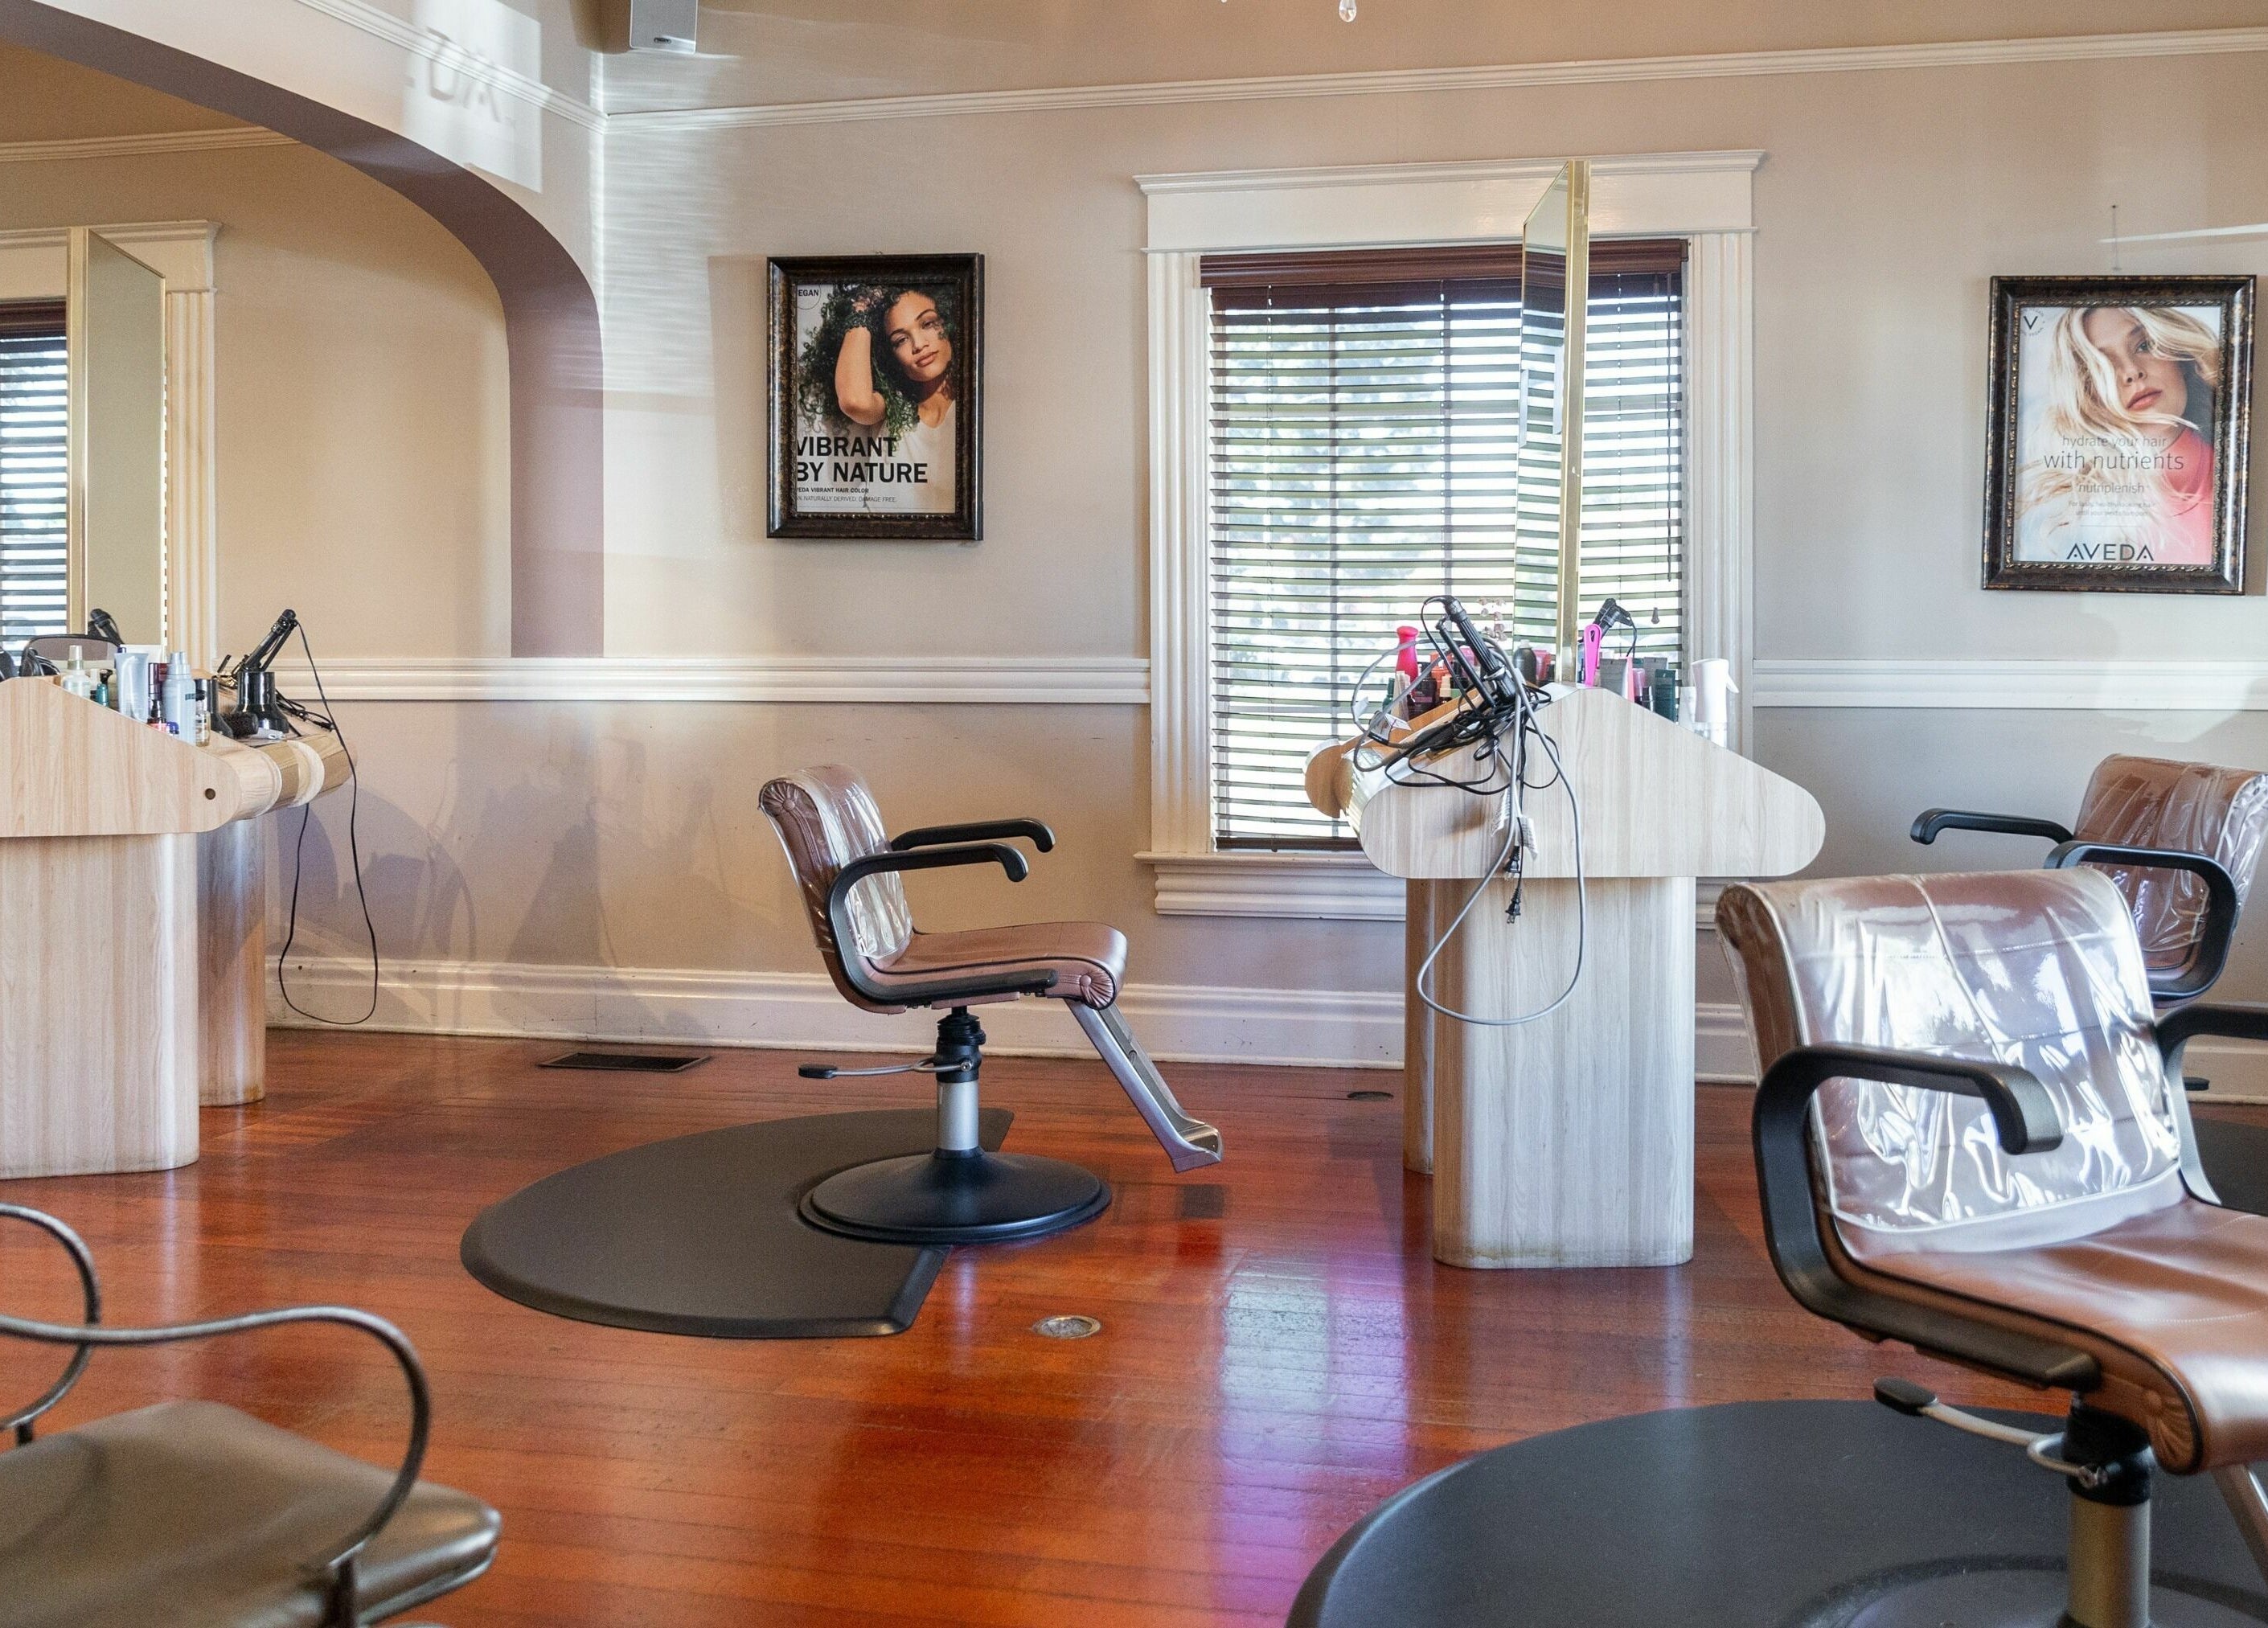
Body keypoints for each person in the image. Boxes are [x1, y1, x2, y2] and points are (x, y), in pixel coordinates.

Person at [2020, 305, 2221, 566]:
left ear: (2179, 357)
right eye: (2100, 366)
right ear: (2085, 395)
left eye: (2144, 345)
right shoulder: (2077, 516)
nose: (2131, 372)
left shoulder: (2240, 473)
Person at [798, 285, 958, 514]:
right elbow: (855, 401)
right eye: (900, 340)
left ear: (950, 321)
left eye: (928, 324)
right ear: (887, 354)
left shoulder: (978, 408)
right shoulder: (894, 409)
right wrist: (863, 309)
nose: (919, 345)